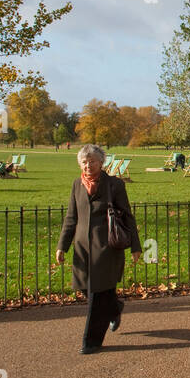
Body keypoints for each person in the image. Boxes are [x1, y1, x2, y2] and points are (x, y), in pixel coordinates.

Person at [55, 145, 142, 353]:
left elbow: (127, 216)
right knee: (86, 287)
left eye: (92, 161)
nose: (88, 165)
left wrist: (135, 246)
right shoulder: (77, 185)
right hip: (83, 248)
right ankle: (114, 308)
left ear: (101, 162)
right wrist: (62, 246)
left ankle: (91, 342)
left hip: (107, 247)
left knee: (97, 295)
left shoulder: (115, 185)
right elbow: (71, 217)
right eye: (84, 162)